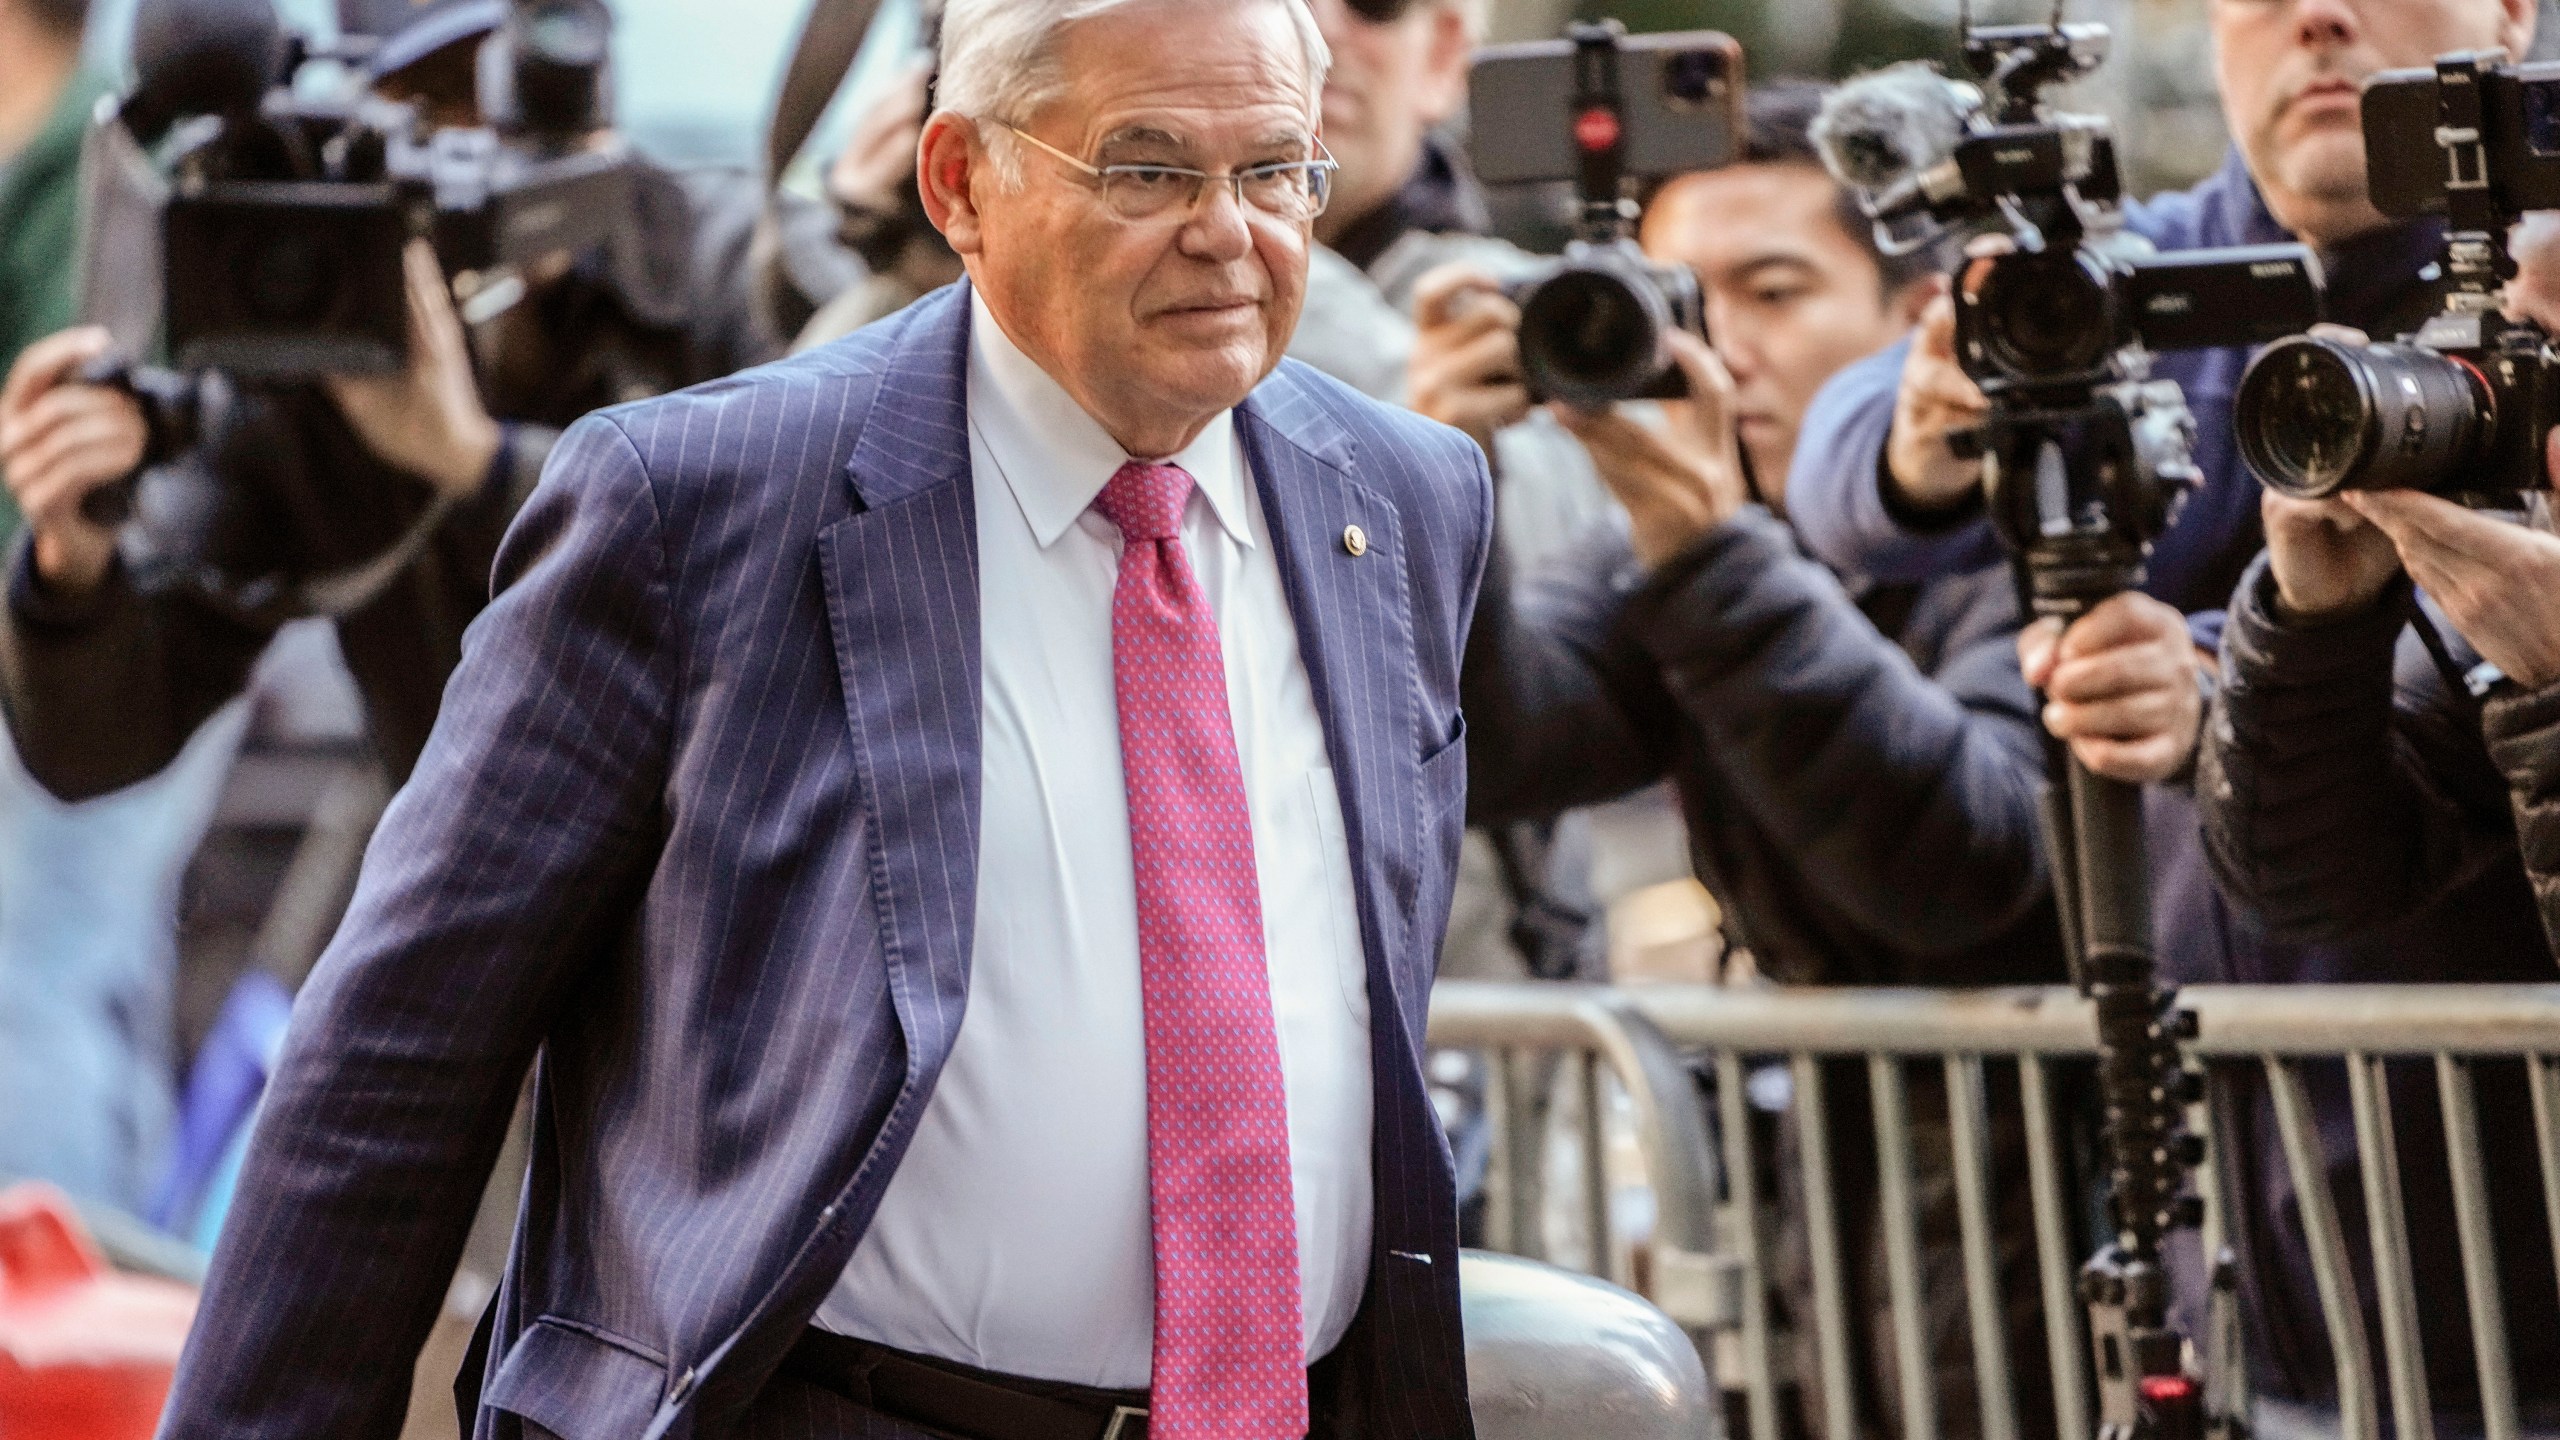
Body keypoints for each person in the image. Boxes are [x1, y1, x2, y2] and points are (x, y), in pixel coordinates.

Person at [158, 1, 1492, 1437]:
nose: (1229, 233)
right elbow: (396, 1063)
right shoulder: (698, 505)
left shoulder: (1410, 499)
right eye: (1148, 168)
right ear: (959, 184)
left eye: (1276, 170)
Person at [1787, 0, 2560, 1426]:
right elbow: (1841, 488)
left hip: (2491, 1213)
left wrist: (2217, 667)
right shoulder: (2140, 269)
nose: (2315, 18)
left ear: (2511, 16)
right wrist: (1927, 423)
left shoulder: (2532, 286)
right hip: (2238, 1216)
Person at [1419, 82, 2064, 1440]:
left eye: (1772, 293)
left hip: (2072, 1214)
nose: (1719, 350)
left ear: (1920, 320)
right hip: (1838, 1236)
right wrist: (1438, 487)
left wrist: (1710, 550)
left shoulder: (2039, 520)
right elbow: (1499, 751)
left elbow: (1959, 866)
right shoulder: (1683, 540)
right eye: (1677, 299)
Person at [0, 0, 781, 806]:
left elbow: (785, 586)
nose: (491, 144)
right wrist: (73, 562)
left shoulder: (737, 270)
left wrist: (478, 465)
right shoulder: (323, 339)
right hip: (494, 898)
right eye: (439, 102)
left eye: (522, 90)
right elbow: (93, 751)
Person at [0, 0, 255, 1213]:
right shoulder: (60, 149)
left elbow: (79, 466)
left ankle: (46, 1350)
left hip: (92, 636)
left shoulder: (93, 163)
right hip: (77, 636)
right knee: (89, 981)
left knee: (28, 991)